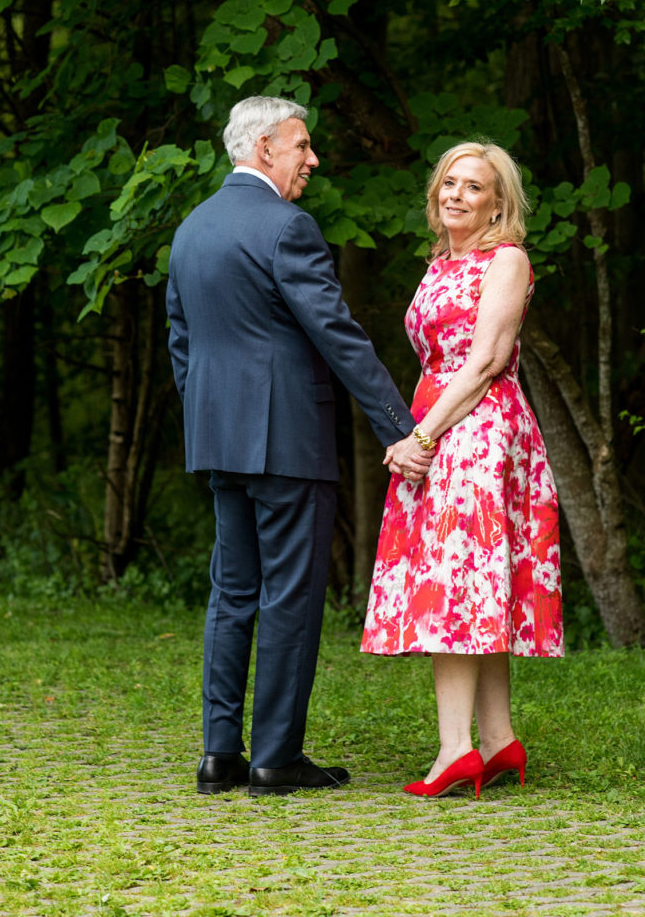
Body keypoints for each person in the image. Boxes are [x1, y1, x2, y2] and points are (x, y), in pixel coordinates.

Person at [166, 95, 432, 798]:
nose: (311, 159)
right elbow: (335, 334)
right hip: (285, 438)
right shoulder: (287, 226)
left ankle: (219, 755)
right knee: (289, 597)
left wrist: (207, 416)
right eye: (301, 146)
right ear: (262, 149)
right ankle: (274, 761)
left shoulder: (191, 229)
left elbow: (181, 342)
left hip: (218, 439)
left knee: (231, 594)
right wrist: (397, 426)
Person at [361, 140, 563, 799]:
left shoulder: (505, 260)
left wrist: (420, 434)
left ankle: (455, 751)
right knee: (474, 586)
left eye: (472, 187)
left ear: (497, 202)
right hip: (441, 426)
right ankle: (499, 742)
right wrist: (418, 432)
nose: (455, 194)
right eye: (448, 183)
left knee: (456, 589)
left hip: (477, 432)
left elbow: (483, 362)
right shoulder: (440, 262)